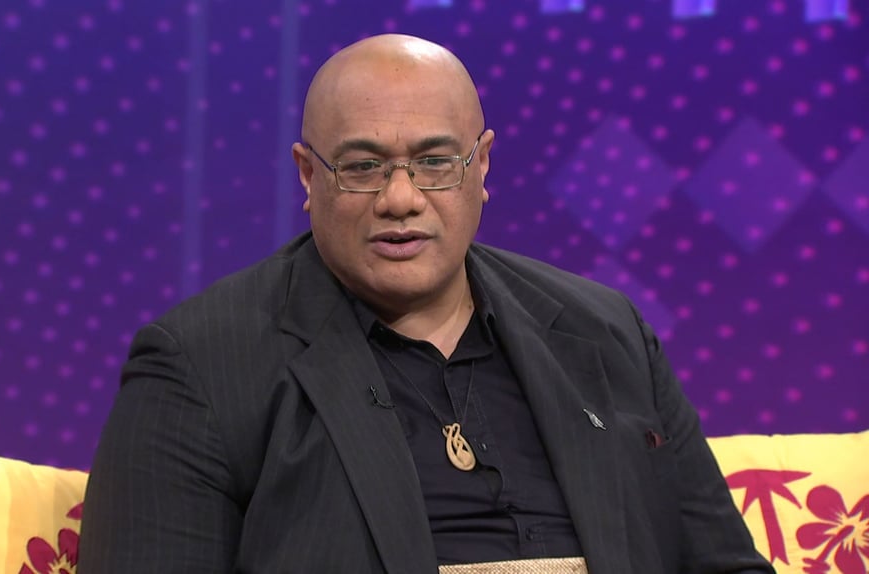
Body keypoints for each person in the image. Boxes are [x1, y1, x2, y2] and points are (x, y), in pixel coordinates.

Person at [78, 34, 773, 573]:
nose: (401, 199)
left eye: (435, 162)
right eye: (362, 167)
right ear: (308, 176)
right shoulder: (202, 365)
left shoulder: (605, 331)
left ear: (482, 165)